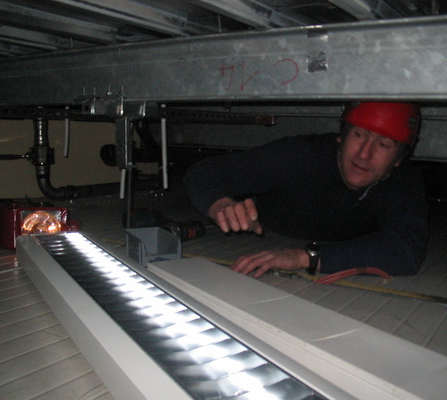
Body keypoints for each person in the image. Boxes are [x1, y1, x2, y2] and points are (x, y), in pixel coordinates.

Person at [183, 102, 428, 278]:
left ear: (399, 158)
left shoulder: (403, 181)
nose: (365, 153)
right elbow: (205, 172)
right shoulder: (301, 156)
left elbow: (405, 250)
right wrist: (219, 204)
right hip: (273, 223)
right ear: (341, 136)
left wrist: (305, 257)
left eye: (383, 144)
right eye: (359, 134)